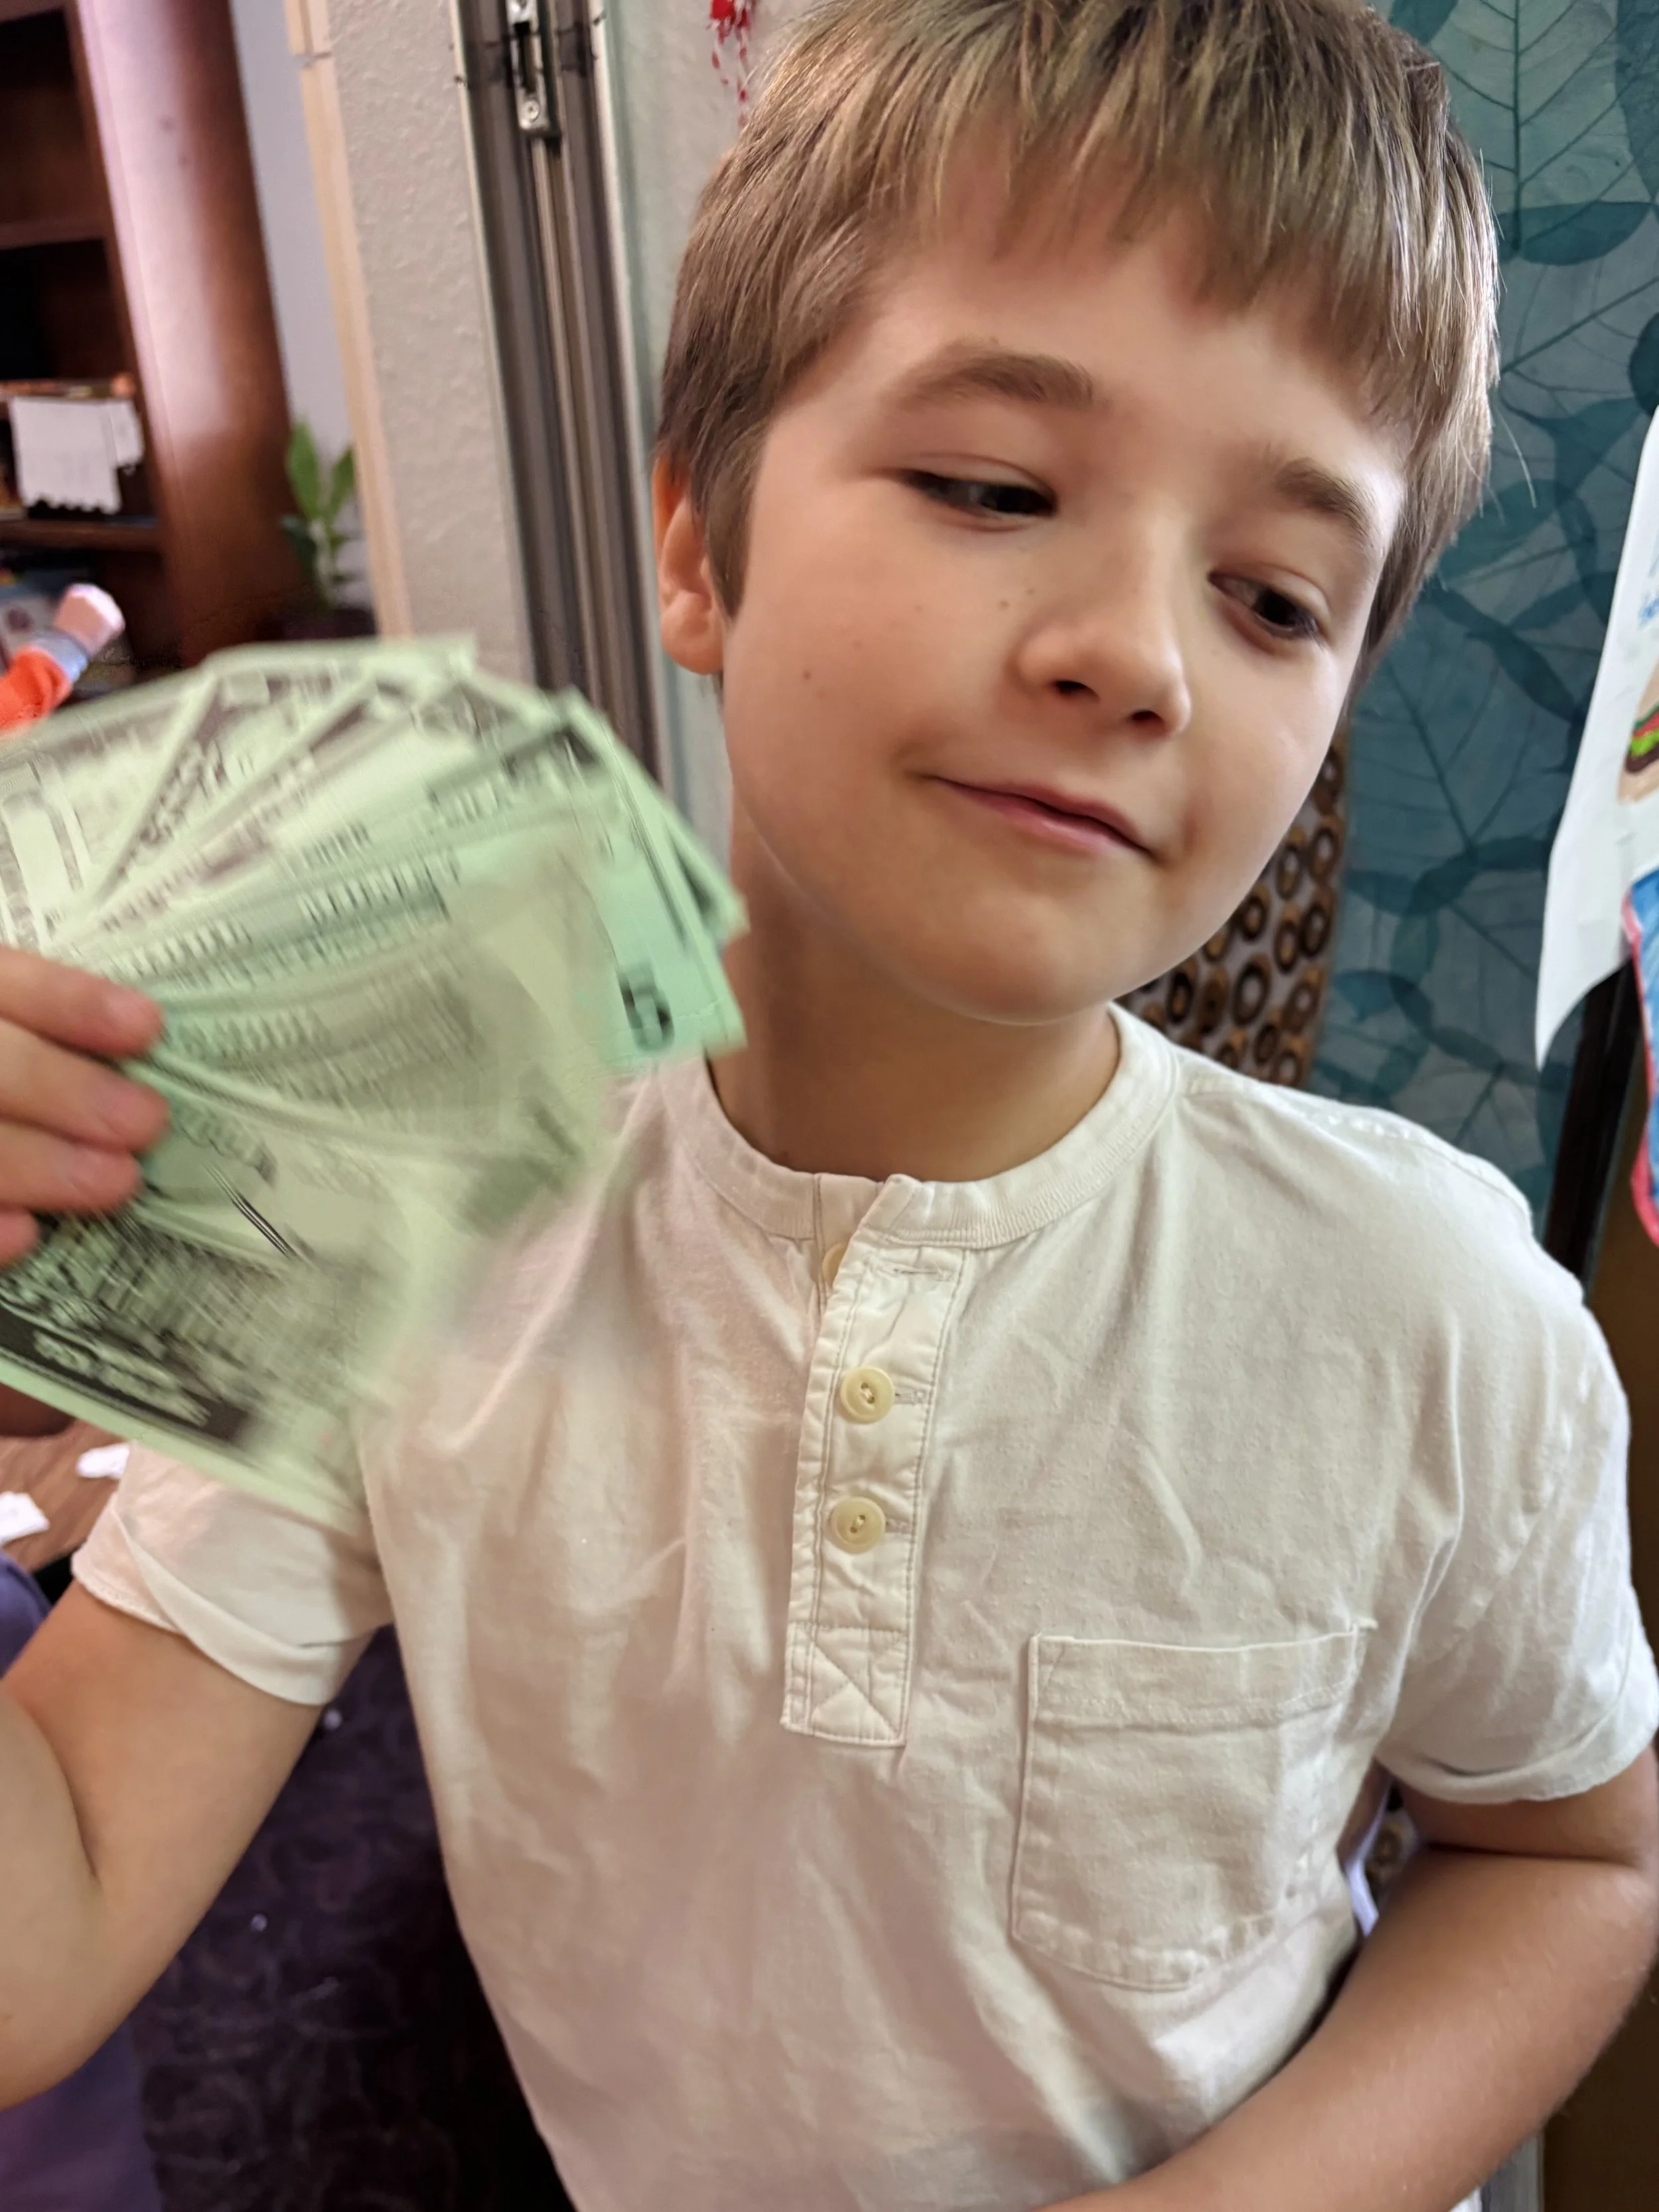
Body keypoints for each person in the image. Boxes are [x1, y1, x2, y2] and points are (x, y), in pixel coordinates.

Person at [0, 3, 1656, 2209]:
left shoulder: (1429, 1307)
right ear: (695, 546)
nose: (1134, 651)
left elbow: (1567, 1856)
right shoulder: (395, 1232)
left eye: (1271, 595)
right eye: (991, 483)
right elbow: (69, 1880)